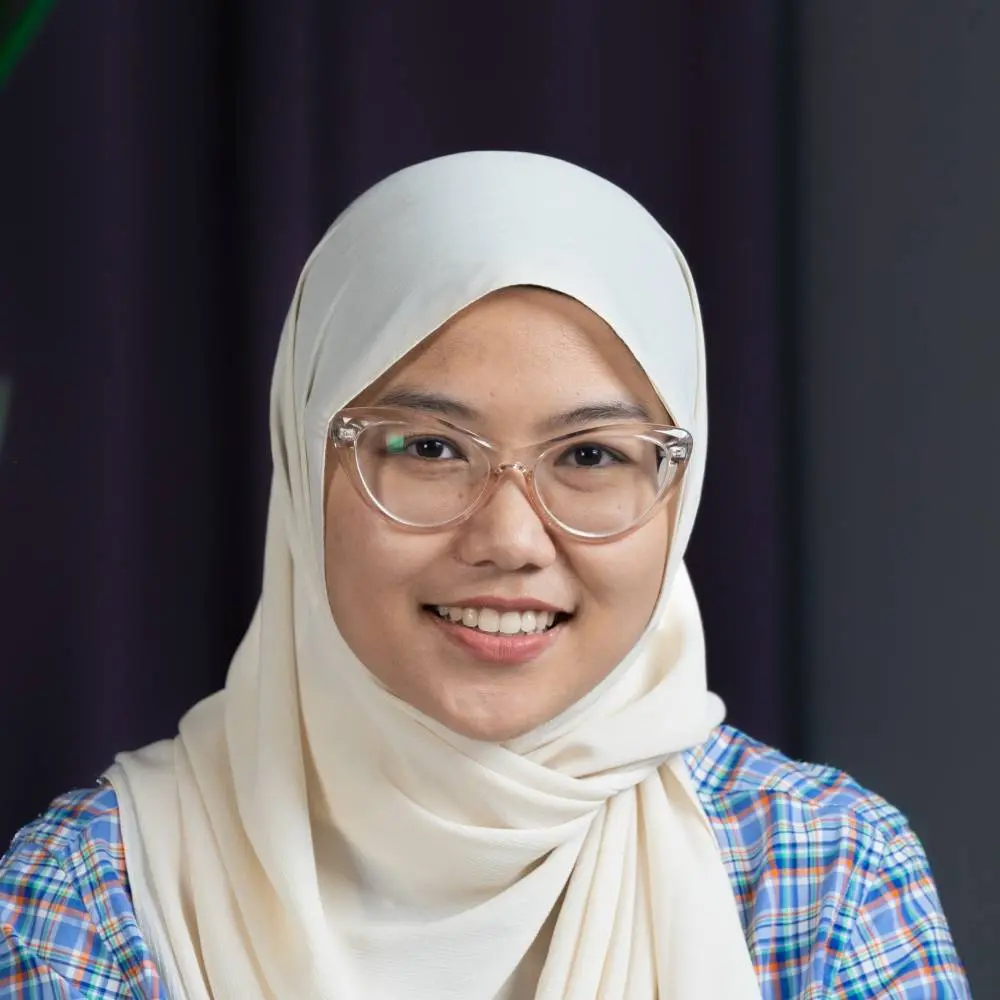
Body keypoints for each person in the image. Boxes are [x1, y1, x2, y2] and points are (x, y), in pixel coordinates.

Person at [0, 152, 970, 999]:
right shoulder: (101, 888)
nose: (509, 538)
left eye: (590, 455)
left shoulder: (818, 873)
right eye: (428, 446)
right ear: (302, 464)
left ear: (680, 487)